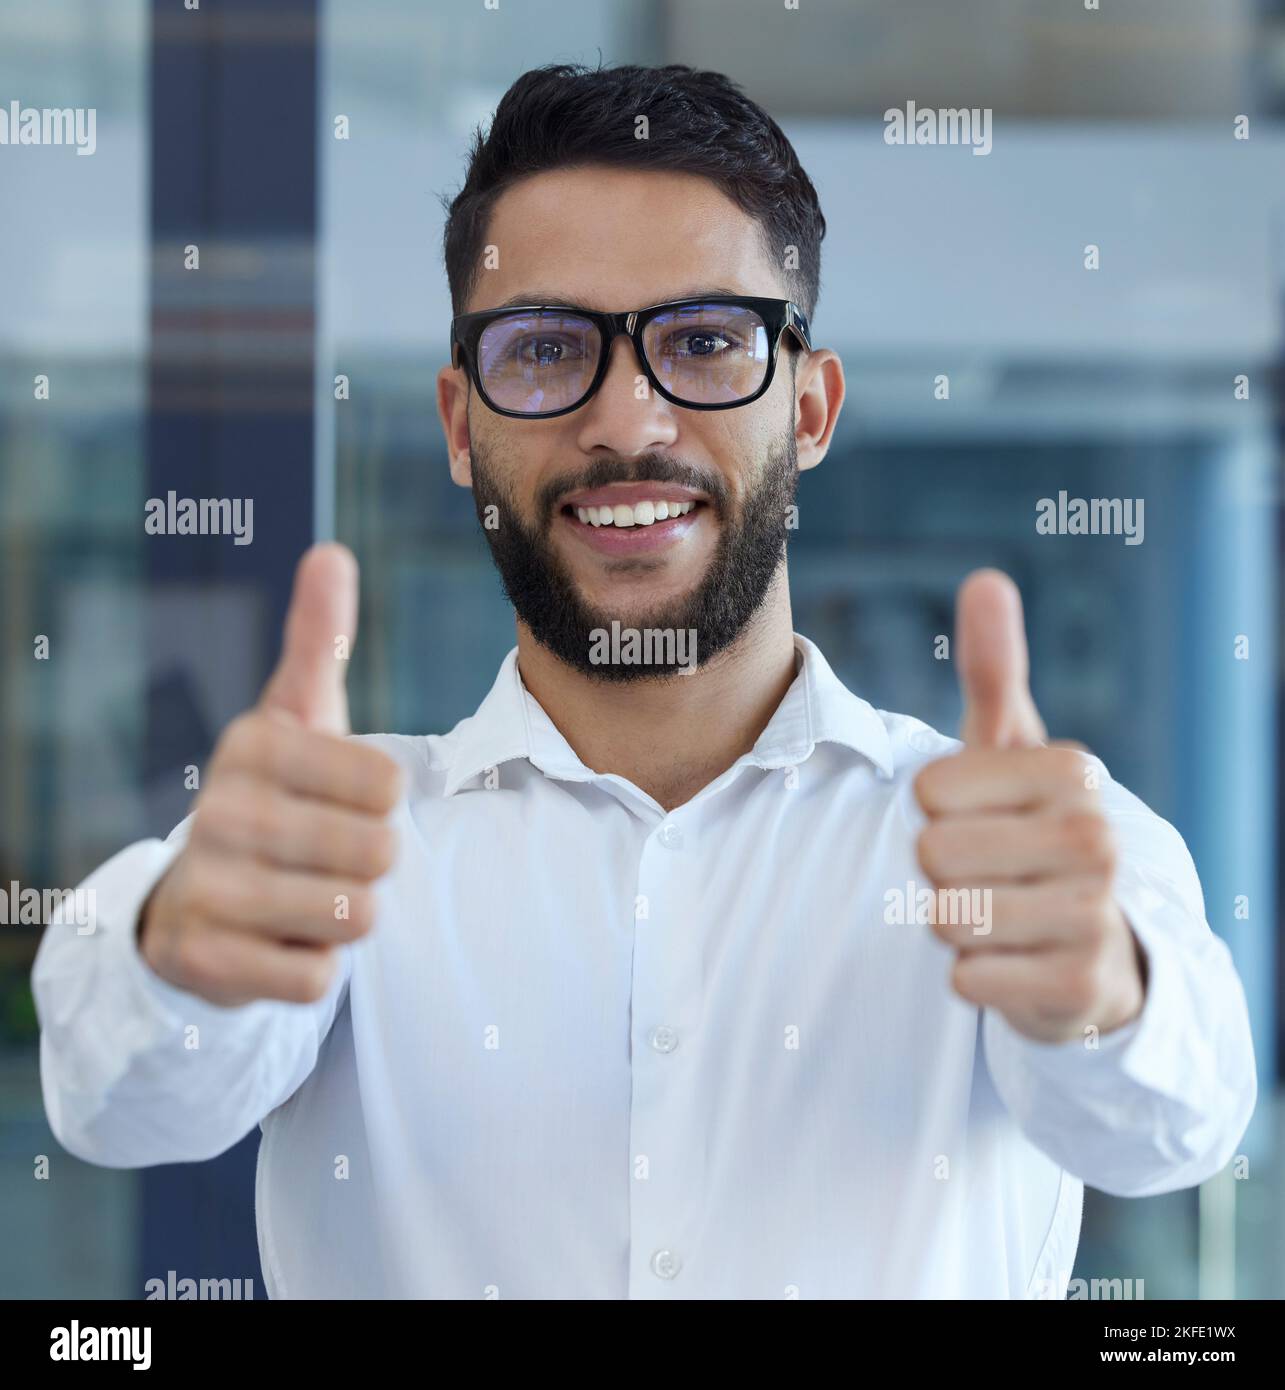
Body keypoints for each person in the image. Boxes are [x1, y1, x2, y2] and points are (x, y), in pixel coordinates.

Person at [34, 63, 1255, 1299]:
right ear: (461, 423)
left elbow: (1178, 1123)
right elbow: (118, 1100)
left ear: (812, 407)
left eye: (706, 342)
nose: (628, 420)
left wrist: (1100, 988)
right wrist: (171, 948)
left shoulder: (1022, 842)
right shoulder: (337, 846)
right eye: (548, 348)